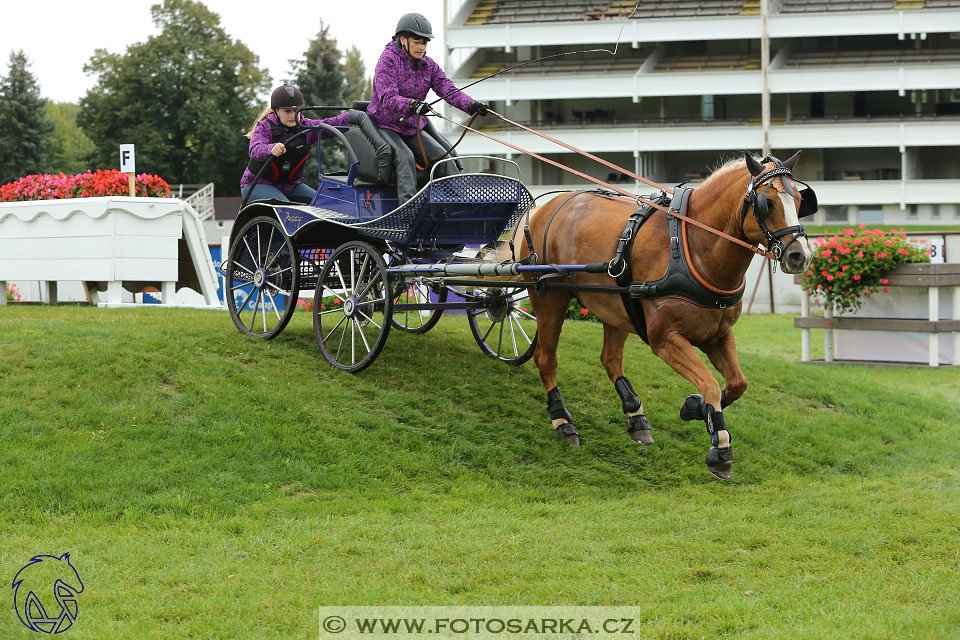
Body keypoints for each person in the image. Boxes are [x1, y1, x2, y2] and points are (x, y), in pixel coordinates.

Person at [367, 12, 489, 205]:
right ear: (403, 39)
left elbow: (448, 90)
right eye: (417, 42)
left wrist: (471, 105)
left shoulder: (428, 65)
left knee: (443, 158)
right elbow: (387, 97)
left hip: (411, 126)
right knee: (405, 157)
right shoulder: (388, 60)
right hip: (384, 125)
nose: (422, 47)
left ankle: (460, 206)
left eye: (425, 43)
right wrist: (412, 104)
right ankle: (408, 211)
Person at [240, 84, 349, 203]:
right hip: (257, 184)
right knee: (289, 211)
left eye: (296, 111)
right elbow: (255, 149)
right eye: (287, 111)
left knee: (324, 203)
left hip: (291, 186)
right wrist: (270, 149)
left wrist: (355, 116)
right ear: (276, 111)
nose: (292, 116)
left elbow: (331, 124)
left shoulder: (306, 127)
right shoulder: (265, 127)